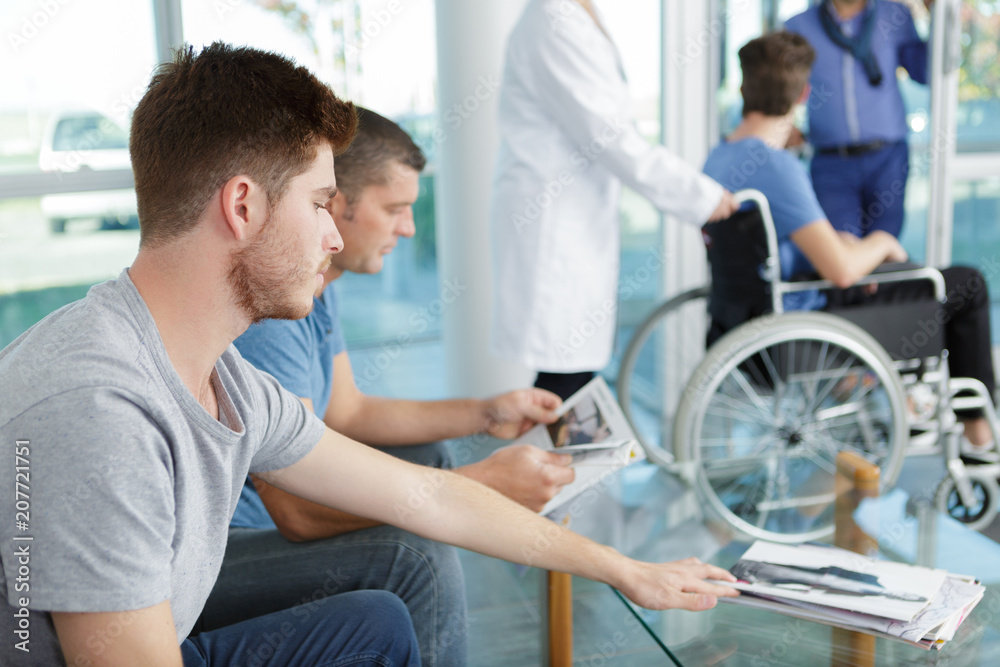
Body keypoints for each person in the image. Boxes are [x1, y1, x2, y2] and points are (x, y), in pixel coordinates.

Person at [0, 42, 739, 666]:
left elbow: (431, 496)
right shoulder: (97, 410)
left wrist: (628, 569)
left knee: (380, 618)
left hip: (164, 624)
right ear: (243, 205)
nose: (333, 234)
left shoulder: (226, 378)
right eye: (322, 202)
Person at [199, 107, 576, 666]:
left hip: (263, 526)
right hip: (222, 553)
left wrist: (487, 412)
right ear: (336, 204)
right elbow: (297, 512)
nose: (409, 229)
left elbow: (347, 410)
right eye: (396, 208)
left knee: (428, 457)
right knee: (414, 552)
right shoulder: (276, 314)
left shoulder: (322, 289)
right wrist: (478, 485)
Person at [702, 30, 996, 459]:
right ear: (804, 94)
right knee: (965, 284)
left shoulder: (718, 158)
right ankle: (979, 437)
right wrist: (882, 241)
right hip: (801, 327)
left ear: (744, 86)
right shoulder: (777, 167)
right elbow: (840, 270)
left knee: (891, 271)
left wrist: (841, 245)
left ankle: (913, 408)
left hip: (743, 318)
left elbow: (769, 245)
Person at [489, 0, 739, 400]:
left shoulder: (573, 16)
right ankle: (555, 461)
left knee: (570, 372)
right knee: (564, 377)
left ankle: (564, 460)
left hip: (574, 215)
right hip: (554, 219)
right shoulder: (554, 21)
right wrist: (702, 197)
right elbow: (612, 138)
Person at [786, 0, 930, 238]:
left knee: (883, 249)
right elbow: (783, 87)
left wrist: (938, 15)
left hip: (888, 159)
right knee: (841, 250)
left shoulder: (895, 15)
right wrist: (785, 126)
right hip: (831, 163)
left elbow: (925, 72)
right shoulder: (799, 26)